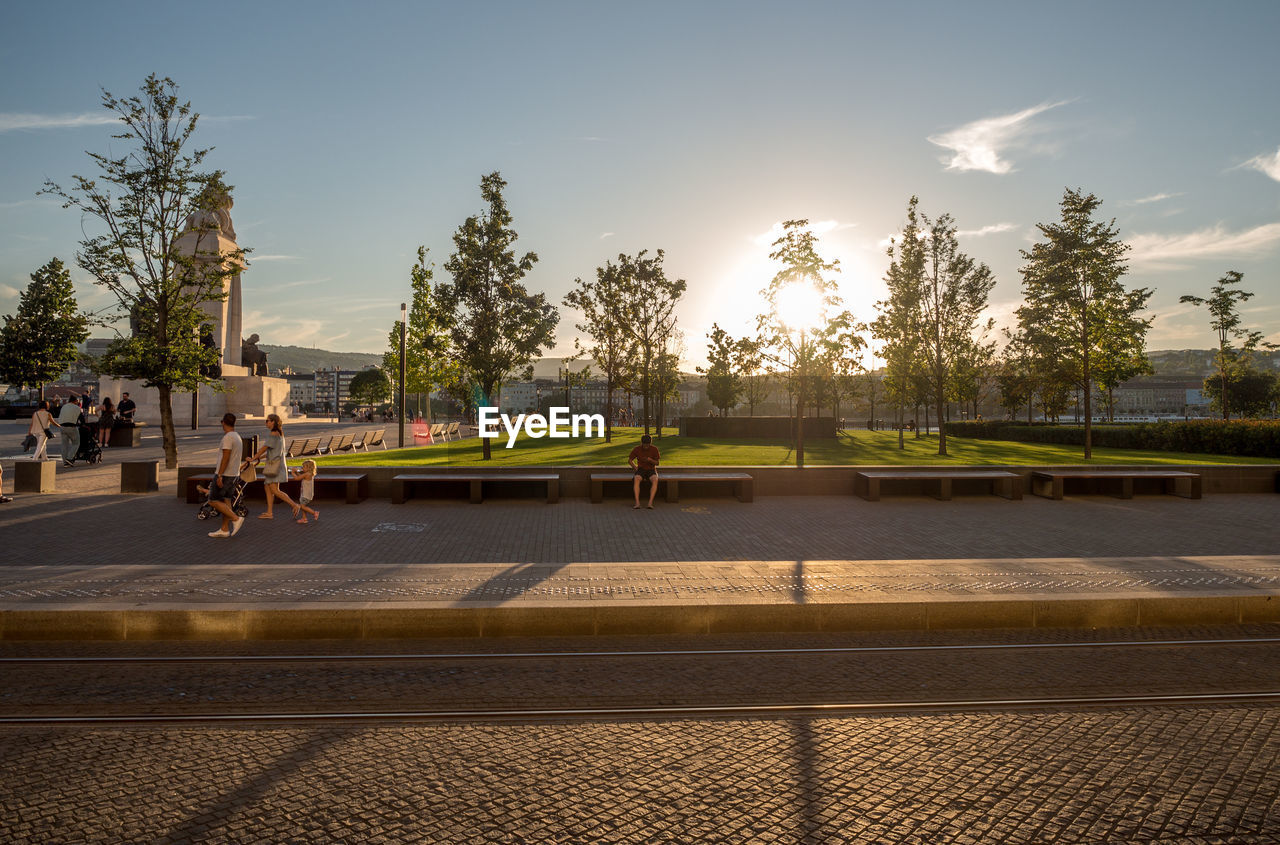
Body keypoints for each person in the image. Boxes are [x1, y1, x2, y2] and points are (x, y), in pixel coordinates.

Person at [248, 413, 299, 520]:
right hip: (277, 465)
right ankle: (269, 512)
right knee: (268, 487)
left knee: (275, 490)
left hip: (274, 466)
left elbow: (264, 448)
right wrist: (259, 458)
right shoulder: (280, 434)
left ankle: (294, 505)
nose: (266, 422)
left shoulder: (273, 434)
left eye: (267, 421)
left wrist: (253, 458)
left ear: (273, 422)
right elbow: (272, 451)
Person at [207, 413, 246, 539]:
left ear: (223, 422)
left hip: (225, 474)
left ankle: (236, 519)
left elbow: (226, 457)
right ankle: (224, 529)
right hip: (234, 474)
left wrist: (219, 475)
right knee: (227, 500)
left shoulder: (228, 438)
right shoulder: (237, 436)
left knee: (213, 500)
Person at [628, 433, 661, 510]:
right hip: (641, 469)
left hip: (651, 469)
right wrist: (635, 468)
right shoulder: (637, 449)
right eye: (644, 445)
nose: (646, 446)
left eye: (647, 445)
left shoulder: (654, 449)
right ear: (641, 443)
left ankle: (650, 503)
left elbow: (657, 463)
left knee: (655, 480)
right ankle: (637, 503)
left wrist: (650, 460)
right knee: (636, 479)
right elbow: (630, 460)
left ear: (650, 443)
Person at [289, 459, 320, 524]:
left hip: (306, 495)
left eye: (303, 467)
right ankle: (304, 518)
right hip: (307, 494)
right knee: (303, 506)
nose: (302, 468)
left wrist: (293, 473)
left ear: (308, 468)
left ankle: (314, 513)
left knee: (303, 506)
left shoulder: (307, 474)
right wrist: (297, 473)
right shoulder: (309, 474)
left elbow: (297, 478)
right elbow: (300, 476)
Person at [57, 396, 82, 467]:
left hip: (62, 427)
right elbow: (81, 419)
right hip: (71, 427)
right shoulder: (77, 408)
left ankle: (65, 462)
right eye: (77, 401)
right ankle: (69, 458)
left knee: (64, 445)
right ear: (75, 401)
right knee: (76, 443)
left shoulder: (64, 407)